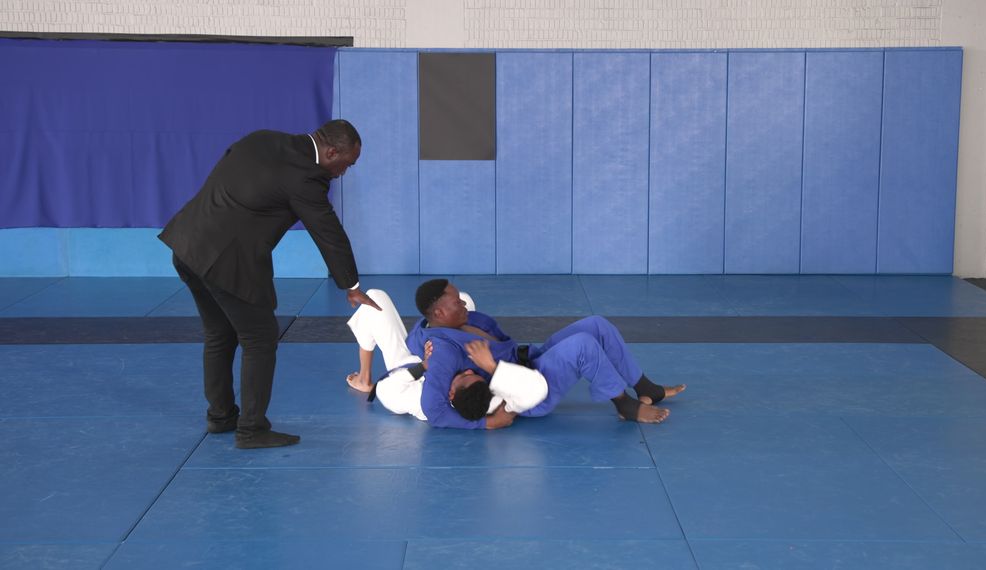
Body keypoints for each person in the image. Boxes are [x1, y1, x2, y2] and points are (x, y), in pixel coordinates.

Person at [159, 119, 381, 449]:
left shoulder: (262, 139)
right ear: (332, 151)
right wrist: (351, 284)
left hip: (188, 245)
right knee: (260, 338)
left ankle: (221, 417)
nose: (344, 172)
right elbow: (328, 232)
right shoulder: (306, 176)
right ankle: (251, 430)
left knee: (219, 333)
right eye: (347, 164)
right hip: (225, 260)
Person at [407, 279, 686, 430]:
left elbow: (414, 336)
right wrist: (487, 422)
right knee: (581, 346)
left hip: (528, 360)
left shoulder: (439, 326)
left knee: (596, 325)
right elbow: (434, 410)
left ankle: (645, 386)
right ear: (440, 313)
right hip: (525, 393)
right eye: (457, 302)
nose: (464, 302)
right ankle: (624, 404)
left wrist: (420, 348)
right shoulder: (442, 350)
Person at [344, 289, 548, 423]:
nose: (469, 370)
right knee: (463, 300)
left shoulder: (417, 401)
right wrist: (490, 423)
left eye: (465, 376)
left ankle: (364, 378)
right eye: (472, 374)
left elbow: (386, 388)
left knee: (374, 298)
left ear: (450, 394)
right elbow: (526, 394)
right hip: (441, 347)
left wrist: (423, 366)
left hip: (407, 363)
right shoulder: (483, 399)